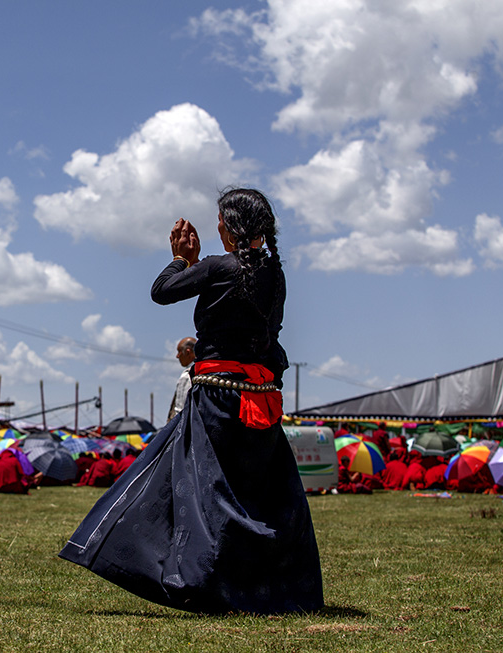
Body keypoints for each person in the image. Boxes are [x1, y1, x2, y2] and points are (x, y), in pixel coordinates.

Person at [59, 188, 323, 614]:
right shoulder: (275, 274)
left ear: (232, 225)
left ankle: (200, 582)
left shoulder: (219, 267)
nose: (216, 225)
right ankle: (270, 589)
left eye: (220, 220)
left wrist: (183, 259)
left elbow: (162, 291)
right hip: (261, 401)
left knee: (207, 494)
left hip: (218, 400)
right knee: (258, 496)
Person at [167, 337, 196, 420]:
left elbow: (180, 409)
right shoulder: (203, 372)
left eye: (179, 351)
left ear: (188, 352)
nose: (177, 356)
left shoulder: (187, 376)